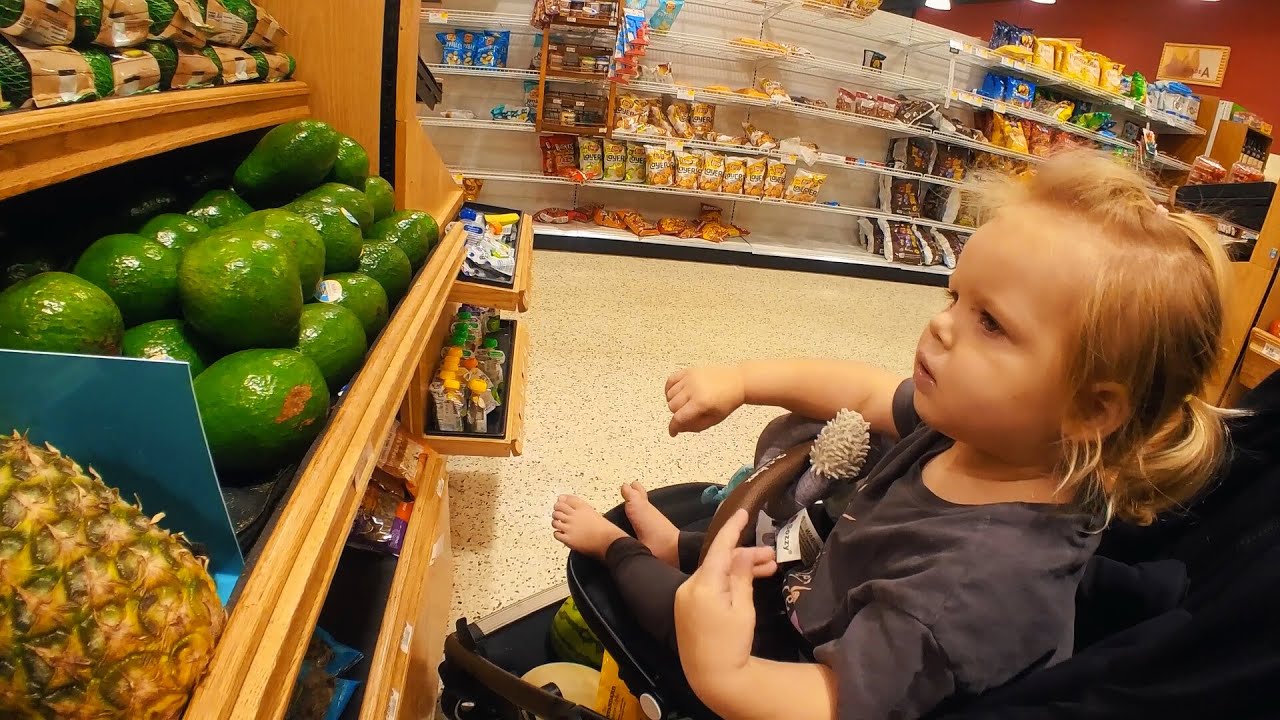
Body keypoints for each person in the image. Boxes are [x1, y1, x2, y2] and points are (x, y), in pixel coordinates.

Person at [551, 150, 1234, 720]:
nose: (942, 326)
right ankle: (679, 546)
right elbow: (864, 392)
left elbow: (842, 700)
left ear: (1090, 411)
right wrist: (742, 378)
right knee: (746, 543)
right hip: (820, 587)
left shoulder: (976, 586)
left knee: (673, 610)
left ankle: (617, 548)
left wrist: (721, 671)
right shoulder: (984, 432)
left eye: (990, 322)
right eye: (954, 298)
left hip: (806, 664)